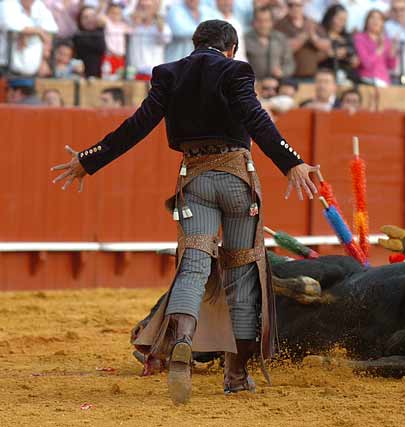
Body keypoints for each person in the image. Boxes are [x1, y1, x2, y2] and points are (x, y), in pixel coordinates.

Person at [51, 19, 318, 404]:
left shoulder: (168, 73)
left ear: (195, 44)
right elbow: (255, 118)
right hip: (236, 180)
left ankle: (183, 342)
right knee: (241, 271)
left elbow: (136, 126)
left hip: (194, 182)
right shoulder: (236, 70)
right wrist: (291, 161)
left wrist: (89, 160)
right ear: (232, 48)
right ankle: (237, 375)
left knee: (193, 266)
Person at [275, 0, 331, 79]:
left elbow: (327, 45)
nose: (294, 8)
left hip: (312, 75)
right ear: (287, 6)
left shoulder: (312, 22)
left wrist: (313, 37)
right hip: (290, 77)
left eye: (298, 5)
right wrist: (304, 36)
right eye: (291, 5)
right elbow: (283, 49)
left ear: (303, 5)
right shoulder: (280, 25)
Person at [0, 0, 58, 76]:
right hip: (5, 68)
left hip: (34, 71)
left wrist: (44, 59)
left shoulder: (39, 5)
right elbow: (9, 26)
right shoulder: (7, 4)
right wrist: (38, 31)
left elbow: (51, 28)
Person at [244, 7, 295, 80]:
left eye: (266, 20)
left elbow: (290, 64)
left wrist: (282, 72)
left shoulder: (281, 39)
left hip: (277, 84)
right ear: (254, 22)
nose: (263, 24)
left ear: (271, 22)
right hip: (254, 85)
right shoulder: (246, 39)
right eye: (259, 21)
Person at [128, 0, 172, 79]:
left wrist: (158, 18)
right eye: (141, 6)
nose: (144, 9)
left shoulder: (162, 27)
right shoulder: (131, 24)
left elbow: (165, 39)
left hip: (154, 74)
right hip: (134, 73)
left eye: (147, 7)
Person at [353, 9, 397, 86]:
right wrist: (379, 49)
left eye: (379, 19)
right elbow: (366, 63)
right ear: (367, 21)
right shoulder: (359, 38)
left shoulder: (386, 40)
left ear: (383, 23)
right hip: (366, 81)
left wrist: (392, 53)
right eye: (372, 17)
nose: (375, 21)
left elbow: (391, 66)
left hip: (385, 82)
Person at [319, 4, 359, 85]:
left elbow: (355, 59)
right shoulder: (320, 33)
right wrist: (331, 53)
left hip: (345, 75)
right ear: (330, 17)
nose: (341, 23)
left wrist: (351, 58)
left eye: (344, 20)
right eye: (339, 19)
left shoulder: (347, 37)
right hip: (325, 74)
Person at [73, 6, 106, 78]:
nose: (90, 20)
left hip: (105, 75)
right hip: (85, 77)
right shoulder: (77, 36)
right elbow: (99, 46)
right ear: (80, 20)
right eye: (85, 17)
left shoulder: (104, 32)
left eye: (92, 16)